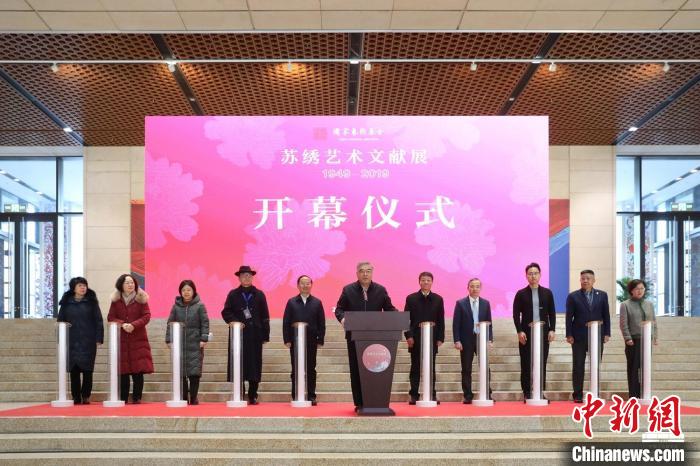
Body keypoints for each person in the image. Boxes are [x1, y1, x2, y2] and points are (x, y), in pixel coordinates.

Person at [335, 261, 398, 412]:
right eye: (362, 271)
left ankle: (377, 401)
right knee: (356, 369)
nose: (365, 274)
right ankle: (360, 402)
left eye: (368, 271)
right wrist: (343, 319)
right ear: (357, 273)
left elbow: (389, 309)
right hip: (354, 337)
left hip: (376, 339)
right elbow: (339, 309)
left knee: (375, 369)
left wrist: (400, 317)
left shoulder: (380, 290)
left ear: (372, 273)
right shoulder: (348, 290)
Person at [221, 265, 270, 405]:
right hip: (238, 336)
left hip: (255, 335)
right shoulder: (233, 294)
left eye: (249, 275)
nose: (246, 278)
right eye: (243, 276)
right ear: (239, 278)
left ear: (252, 277)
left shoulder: (259, 294)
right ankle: (240, 393)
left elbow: (265, 316)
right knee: (239, 363)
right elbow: (226, 312)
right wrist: (234, 321)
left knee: (254, 365)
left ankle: (253, 395)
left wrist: (265, 335)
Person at [513, 262, 556, 402]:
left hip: (543, 333)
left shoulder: (547, 293)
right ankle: (527, 391)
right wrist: (519, 331)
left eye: (535, 273)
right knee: (526, 362)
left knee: (541, 362)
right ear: (526, 276)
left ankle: (539, 390)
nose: (533, 276)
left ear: (540, 274)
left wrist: (552, 329)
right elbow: (516, 315)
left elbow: (552, 313)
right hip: (526, 333)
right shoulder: (521, 294)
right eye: (530, 274)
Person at [565, 269, 611, 403]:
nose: (585, 281)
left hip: (597, 335)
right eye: (583, 278)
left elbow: (606, 315)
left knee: (596, 365)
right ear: (580, 280)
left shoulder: (602, 295)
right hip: (578, 336)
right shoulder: (573, 296)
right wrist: (569, 334)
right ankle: (577, 394)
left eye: (588, 278)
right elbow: (569, 317)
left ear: (593, 280)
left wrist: (607, 333)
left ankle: (595, 392)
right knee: (578, 366)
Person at [107, 273, 153, 404]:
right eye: (127, 282)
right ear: (121, 285)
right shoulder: (116, 300)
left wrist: (133, 325)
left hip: (138, 338)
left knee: (138, 371)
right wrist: (123, 324)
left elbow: (147, 316)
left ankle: (137, 397)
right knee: (123, 371)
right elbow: (111, 317)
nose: (130, 285)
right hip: (122, 339)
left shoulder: (141, 298)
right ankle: (123, 397)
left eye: (132, 282)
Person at [57, 277, 103, 405]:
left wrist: (99, 338)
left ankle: (86, 395)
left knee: (88, 370)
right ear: (74, 288)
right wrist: (60, 339)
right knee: (74, 370)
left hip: (88, 341)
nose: (83, 288)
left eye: (84, 285)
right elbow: (60, 322)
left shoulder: (92, 302)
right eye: (80, 286)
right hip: (71, 341)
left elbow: (99, 321)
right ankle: (76, 396)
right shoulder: (66, 303)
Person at [282, 275, 325, 406]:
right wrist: (287, 339)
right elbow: (286, 322)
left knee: (311, 368)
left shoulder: (317, 302)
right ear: (297, 285)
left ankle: (311, 395)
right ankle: (296, 395)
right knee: (296, 368)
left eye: (307, 283)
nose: (305, 286)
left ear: (311, 285)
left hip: (311, 341)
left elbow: (321, 323)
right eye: (302, 283)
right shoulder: (291, 302)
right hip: (295, 341)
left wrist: (320, 339)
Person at [165, 280, 210, 405]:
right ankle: (184, 397)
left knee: (194, 373)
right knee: (181, 372)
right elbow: (170, 323)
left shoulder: (200, 306)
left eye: (189, 290)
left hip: (195, 343)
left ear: (193, 291)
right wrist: (169, 339)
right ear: (180, 292)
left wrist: (204, 338)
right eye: (184, 290)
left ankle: (194, 397)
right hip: (179, 344)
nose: (186, 292)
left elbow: (205, 323)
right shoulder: (175, 307)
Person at [404, 271, 444, 404]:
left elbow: (440, 319)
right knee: (415, 367)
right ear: (419, 282)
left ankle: (431, 394)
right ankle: (414, 394)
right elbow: (406, 319)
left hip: (432, 338)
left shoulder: (438, 299)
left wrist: (440, 337)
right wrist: (408, 336)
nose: (426, 282)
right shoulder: (411, 298)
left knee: (431, 367)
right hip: (416, 338)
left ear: (432, 282)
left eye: (428, 280)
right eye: (423, 280)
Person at [453, 278, 493, 404]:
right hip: (466, 340)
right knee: (466, 368)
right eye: (472, 286)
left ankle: (487, 393)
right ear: (468, 288)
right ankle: (468, 395)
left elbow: (489, 323)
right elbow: (456, 323)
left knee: (485, 367)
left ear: (480, 288)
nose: (474, 289)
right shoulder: (460, 303)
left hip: (482, 338)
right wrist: (457, 340)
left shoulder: (486, 303)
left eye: (477, 286)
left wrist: (489, 339)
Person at [619, 279, 657, 399]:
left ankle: (644, 394)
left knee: (645, 367)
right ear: (631, 290)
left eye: (642, 288)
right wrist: (627, 338)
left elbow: (653, 321)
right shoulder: (625, 305)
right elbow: (623, 324)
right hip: (634, 341)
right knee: (633, 368)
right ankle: (634, 395)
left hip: (647, 340)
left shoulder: (649, 304)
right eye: (637, 289)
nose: (640, 291)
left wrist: (655, 336)